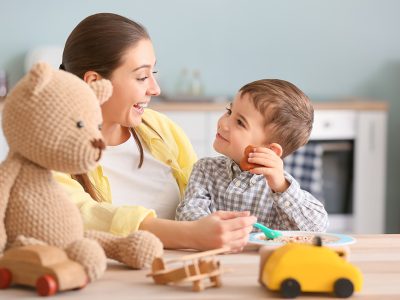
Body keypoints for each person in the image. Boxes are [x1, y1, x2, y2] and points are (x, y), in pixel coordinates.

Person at [55, 12, 256, 252]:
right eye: (141, 77)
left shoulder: (161, 129)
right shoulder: (49, 149)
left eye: (154, 73)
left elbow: (207, 194)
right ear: (94, 82)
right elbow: (81, 216)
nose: (155, 89)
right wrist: (191, 235)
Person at [175, 79, 329, 232]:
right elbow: (187, 212)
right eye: (229, 111)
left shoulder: (280, 186)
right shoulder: (206, 169)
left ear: (271, 150)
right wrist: (215, 227)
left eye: (240, 122)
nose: (223, 123)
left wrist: (281, 187)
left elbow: (318, 228)